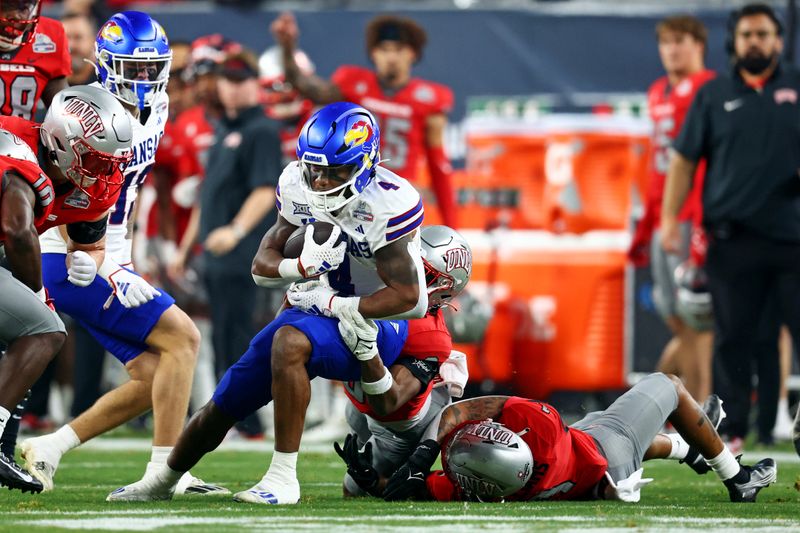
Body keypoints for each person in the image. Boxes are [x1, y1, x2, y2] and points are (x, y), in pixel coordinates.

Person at [114, 101, 429, 504]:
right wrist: (298, 265)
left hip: (373, 320)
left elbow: (411, 299)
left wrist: (335, 304)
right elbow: (261, 267)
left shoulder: (389, 202)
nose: (320, 182)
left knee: (289, 342)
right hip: (312, 308)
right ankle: (163, 480)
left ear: (365, 164)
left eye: (334, 172)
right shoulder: (296, 183)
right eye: (315, 170)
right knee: (228, 398)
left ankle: (283, 478)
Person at [20, 12, 222, 501]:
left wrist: (123, 258)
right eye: (136, 67)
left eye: (155, 68)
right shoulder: (88, 111)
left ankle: (49, 446)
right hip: (67, 253)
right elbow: (72, 192)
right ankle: (165, 473)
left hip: (109, 250)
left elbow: (122, 194)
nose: (146, 80)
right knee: (185, 339)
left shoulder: (161, 106)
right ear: (107, 65)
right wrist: (105, 262)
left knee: (155, 374)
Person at [661, 3, 800, 449]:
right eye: (747, 35)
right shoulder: (713, 94)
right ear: (734, 42)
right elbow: (683, 162)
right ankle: (733, 427)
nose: (755, 42)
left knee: (787, 334)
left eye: (763, 34)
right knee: (733, 337)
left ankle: (775, 421)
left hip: (793, 237)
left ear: (778, 41)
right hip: (731, 239)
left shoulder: (797, 88)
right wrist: (668, 218)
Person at [0, 83, 134, 492]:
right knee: (44, 327)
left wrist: (90, 261)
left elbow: (88, 241)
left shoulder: (85, 181)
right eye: (95, 159)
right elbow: (17, 231)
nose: (105, 171)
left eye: (111, 161)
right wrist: (37, 293)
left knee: (29, 331)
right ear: (62, 141)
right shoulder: (16, 148)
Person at [382, 374, 776, 503]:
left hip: (588, 480)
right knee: (667, 385)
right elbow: (461, 412)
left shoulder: (480, 486)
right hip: (604, 452)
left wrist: (375, 482)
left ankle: (686, 447)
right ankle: (738, 478)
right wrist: (423, 453)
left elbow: (414, 490)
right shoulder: (541, 425)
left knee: (605, 424)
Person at [271, 12, 458, 228]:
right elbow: (306, 87)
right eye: (384, 50)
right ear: (373, 53)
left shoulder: (430, 99)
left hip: (397, 196)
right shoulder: (353, 83)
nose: (391, 57)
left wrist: (452, 227)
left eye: (399, 50)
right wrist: (287, 47)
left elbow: (439, 167)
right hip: (351, 192)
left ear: (413, 53)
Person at [328, 225, 471, 499]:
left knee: (355, 488)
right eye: (407, 262)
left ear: (443, 289)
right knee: (355, 417)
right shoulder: (377, 289)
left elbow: (389, 401)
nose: (405, 272)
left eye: (421, 271)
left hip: (396, 424)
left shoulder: (429, 336)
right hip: (360, 403)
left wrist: (366, 351)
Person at [628, 15, 715, 402]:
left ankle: (697, 405)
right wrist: (647, 225)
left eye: (680, 41)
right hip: (665, 216)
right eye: (666, 42)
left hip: (688, 216)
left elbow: (704, 162)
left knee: (696, 319)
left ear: (699, 44)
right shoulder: (658, 91)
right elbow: (656, 167)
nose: (672, 50)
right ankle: (677, 399)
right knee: (678, 318)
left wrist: (693, 218)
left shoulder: (707, 88)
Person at [0, 0, 69, 118]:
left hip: (24, 135)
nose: (16, 16)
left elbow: (61, 111)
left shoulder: (50, 35)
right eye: (7, 6)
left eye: (24, 8)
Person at [62, 11, 97, 86]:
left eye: (78, 37)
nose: (71, 45)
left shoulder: (107, 84)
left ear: (94, 41)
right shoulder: (46, 84)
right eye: (65, 38)